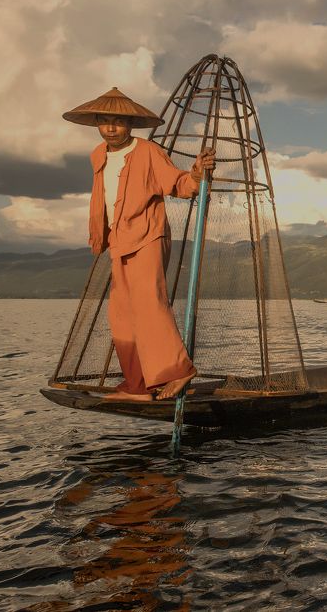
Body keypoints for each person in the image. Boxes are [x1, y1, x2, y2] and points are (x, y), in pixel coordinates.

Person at [63, 87, 215, 402]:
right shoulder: (98, 154)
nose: (110, 127)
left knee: (149, 303)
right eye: (104, 121)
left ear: (130, 124)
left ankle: (178, 370)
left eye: (117, 121)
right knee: (121, 314)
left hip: (147, 236)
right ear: (97, 123)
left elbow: (178, 184)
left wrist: (197, 173)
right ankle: (139, 385)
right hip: (118, 240)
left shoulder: (147, 151)